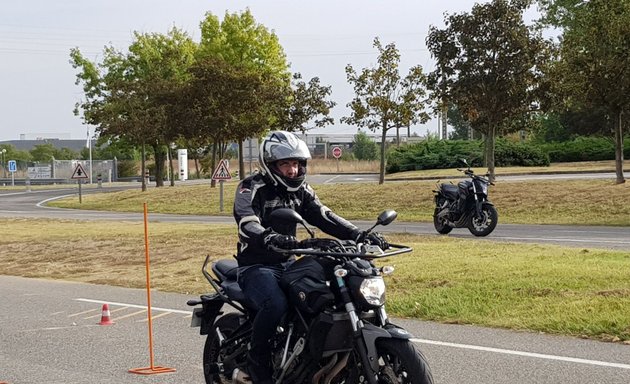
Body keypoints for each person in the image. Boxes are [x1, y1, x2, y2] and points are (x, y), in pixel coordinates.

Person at [233, 130, 387, 384]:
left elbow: (324, 216)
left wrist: (359, 235)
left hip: (291, 261)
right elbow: (247, 222)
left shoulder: (301, 190)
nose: (292, 171)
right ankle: (257, 364)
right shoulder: (250, 188)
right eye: (285, 164)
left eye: (296, 164)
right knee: (276, 304)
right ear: (270, 165)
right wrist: (270, 237)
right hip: (257, 266)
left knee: (324, 297)